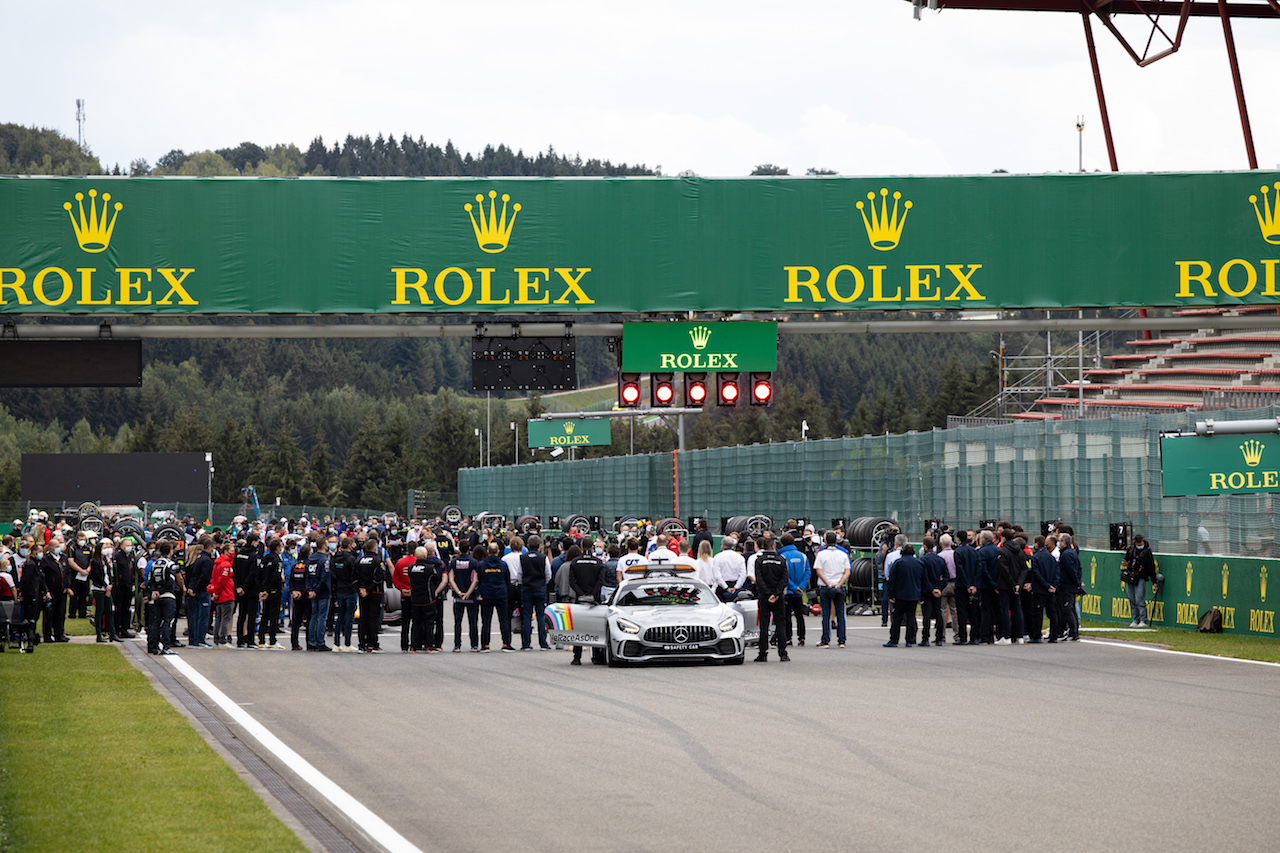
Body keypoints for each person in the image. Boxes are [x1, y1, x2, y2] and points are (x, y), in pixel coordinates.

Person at [568, 546, 608, 665]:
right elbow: (600, 581)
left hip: (579, 600)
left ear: (581, 548)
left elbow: (572, 582)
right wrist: (592, 594)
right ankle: (597, 656)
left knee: (578, 628)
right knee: (596, 627)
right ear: (592, 547)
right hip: (595, 600)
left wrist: (581, 594)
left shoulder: (575, 562)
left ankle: (577, 657)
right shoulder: (599, 563)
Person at [752, 539, 790, 662]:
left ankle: (763, 653)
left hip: (764, 595)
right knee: (780, 624)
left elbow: (759, 579)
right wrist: (776, 593)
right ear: (773, 546)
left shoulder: (759, 560)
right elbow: (785, 579)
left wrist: (768, 594)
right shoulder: (781, 560)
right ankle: (783, 653)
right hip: (778, 596)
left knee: (764, 625)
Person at [814, 531, 851, 648]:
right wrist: (839, 584)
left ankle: (825, 640)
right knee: (841, 613)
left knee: (826, 614)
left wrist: (828, 584)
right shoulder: (843, 554)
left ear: (825, 541)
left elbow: (819, 572)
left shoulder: (821, 554)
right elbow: (847, 572)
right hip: (839, 587)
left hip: (826, 586)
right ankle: (842, 640)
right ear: (836, 540)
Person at [408, 543, 447, 652]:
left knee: (416, 623)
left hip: (415, 598)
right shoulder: (430, 568)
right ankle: (429, 644)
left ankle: (414, 645)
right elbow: (435, 579)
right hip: (428, 598)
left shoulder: (411, 568)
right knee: (429, 622)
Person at [884, 544, 924, 647]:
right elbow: (923, 580)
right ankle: (910, 639)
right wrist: (921, 595)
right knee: (911, 616)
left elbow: (892, 580)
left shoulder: (898, 563)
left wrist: (891, 594)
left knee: (897, 617)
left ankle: (894, 640)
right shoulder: (919, 563)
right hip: (914, 594)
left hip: (900, 594)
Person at [477, 541, 513, 652]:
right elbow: (508, 580)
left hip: (486, 595)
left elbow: (478, 579)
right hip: (501, 594)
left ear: (488, 552)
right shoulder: (503, 564)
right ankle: (506, 643)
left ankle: (485, 645)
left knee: (486, 621)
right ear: (498, 552)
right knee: (504, 620)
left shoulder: (482, 564)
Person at [145, 542, 180, 655]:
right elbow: (171, 582)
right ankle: (166, 646)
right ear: (170, 551)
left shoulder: (155, 563)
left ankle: (153, 646)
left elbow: (150, 581)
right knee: (167, 621)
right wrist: (161, 591)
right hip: (167, 595)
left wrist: (153, 593)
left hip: (156, 596)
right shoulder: (170, 564)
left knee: (156, 622)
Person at [518, 535, 552, 650]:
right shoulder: (543, 557)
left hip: (527, 588)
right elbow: (548, 575)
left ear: (527, 545)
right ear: (539, 546)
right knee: (541, 616)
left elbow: (519, 574)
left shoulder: (522, 557)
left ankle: (526, 643)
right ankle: (543, 643)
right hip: (540, 588)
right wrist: (542, 583)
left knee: (526, 616)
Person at [1026, 535, 1060, 643]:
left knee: (1038, 613)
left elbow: (1036, 573)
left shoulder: (1035, 557)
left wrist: (1046, 585)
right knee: (1052, 613)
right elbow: (1057, 572)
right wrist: (1053, 586)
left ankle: (1036, 635)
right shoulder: (1051, 557)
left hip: (1040, 589)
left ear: (1036, 544)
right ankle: (1054, 635)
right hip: (1050, 589)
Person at [779, 532, 809, 647]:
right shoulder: (803, 556)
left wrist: (793, 587)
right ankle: (802, 637)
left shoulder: (782, 557)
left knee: (787, 615)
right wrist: (801, 587)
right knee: (799, 615)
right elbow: (807, 572)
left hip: (787, 590)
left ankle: (788, 638)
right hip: (799, 591)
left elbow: (783, 575)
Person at [450, 545, 482, 652]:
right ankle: (474, 645)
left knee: (457, 621)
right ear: (469, 548)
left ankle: (457, 645)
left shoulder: (454, 562)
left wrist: (459, 592)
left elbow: (451, 579)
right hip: (471, 596)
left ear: (459, 549)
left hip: (458, 596)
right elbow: (475, 580)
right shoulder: (473, 562)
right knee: (473, 621)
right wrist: (468, 593)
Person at [355, 538, 385, 653]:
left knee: (363, 619)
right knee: (373, 619)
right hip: (374, 593)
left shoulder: (358, 561)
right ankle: (373, 644)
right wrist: (368, 589)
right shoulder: (377, 561)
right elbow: (379, 578)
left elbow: (354, 578)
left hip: (362, 593)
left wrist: (360, 589)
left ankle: (362, 644)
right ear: (374, 548)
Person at [330, 535, 359, 651]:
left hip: (339, 589)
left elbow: (332, 574)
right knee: (349, 617)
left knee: (340, 617)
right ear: (350, 545)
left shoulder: (335, 558)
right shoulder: (351, 559)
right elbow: (355, 575)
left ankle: (336, 643)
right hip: (350, 590)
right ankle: (347, 643)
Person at [185, 537, 215, 648]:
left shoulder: (198, 558)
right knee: (202, 617)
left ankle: (193, 639)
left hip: (194, 590)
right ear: (210, 548)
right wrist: (196, 589)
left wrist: (191, 588)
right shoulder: (206, 560)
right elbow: (204, 577)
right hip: (202, 591)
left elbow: (193, 575)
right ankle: (199, 640)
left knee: (194, 616)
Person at [233, 533, 261, 649]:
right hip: (251, 590)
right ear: (254, 542)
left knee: (241, 615)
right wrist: (244, 587)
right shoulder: (254, 555)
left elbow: (234, 571)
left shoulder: (239, 554)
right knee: (251, 616)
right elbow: (253, 574)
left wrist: (238, 586)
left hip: (240, 589)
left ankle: (240, 640)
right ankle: (250, 640)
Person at [256, 537, 285, 649]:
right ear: (277, 548)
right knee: (273, 617)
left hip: (264, 590)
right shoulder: (277, 560)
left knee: (264, 615)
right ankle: (272, 641)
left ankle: (261, 640)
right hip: (273, 591)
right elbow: (275, 577)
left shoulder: (265, 559)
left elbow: (259, 575)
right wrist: (267, 590)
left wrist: (261, 590)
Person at [918, 536, 947, 646]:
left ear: (925, 546)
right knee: (938, 613)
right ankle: (939, 637)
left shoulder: (923, 560)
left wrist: (931, 588)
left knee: (927, 615)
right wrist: (939, 588)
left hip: (927, 590)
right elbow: (946, 575)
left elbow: (924, 577)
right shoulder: (940, 559)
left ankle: (925, 638)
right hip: (937, 588)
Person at [40, 536, 70, 643]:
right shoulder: (45, 560)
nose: (59, 548)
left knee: (60, 613)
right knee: (49, 614)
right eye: (57, 546)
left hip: (62, 591)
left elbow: (67, 573)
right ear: (51, 548)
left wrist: (68, 586)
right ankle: (48, 635)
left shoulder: (63, 558)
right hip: (51, 591)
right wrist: (46, 590)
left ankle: (59, 634)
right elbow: (43, 576)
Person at [304, 542, 332, 652]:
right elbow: (324, 577)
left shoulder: (311, 559)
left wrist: (310, 590)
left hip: (313, 590)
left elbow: (308, 576)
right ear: (324, 546)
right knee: (321, 617)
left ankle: (311, 641)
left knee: (314, 616)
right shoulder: (324, 560)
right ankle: (320, 641)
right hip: (322, 592)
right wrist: (316, 590)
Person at [1124, 534, 1156, 627]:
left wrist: (1153, 580)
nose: (1139, 545)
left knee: (1139, 599)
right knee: (1132, 599)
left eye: (1140, 543)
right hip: (1130, 576)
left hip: (1141, 577)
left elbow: (1151, 566)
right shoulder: (1131, 550)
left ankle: (1143, 620)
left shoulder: (1146, 551)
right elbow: (1126, 559)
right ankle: (1135, 619)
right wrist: (1126, 563)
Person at [975, 530, 1000, 644]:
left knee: (985, 610)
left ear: (983, 539)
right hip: (996, 584)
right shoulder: (998, 550)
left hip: (986, 585)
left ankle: (985, 635)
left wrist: (990, 583)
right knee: (996, 610)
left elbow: (983, 569)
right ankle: (998, 633)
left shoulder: (983, 551)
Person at [209, 542, 235, 647]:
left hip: (220, 594)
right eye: (232, 551)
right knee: (225, 618)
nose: (233, 553)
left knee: (219, 618)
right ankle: (222, 638)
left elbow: (214, 579)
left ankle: (217, 638)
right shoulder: (225, 565)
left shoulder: (218, 563)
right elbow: (221, 581)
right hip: (226, 594)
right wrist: (217, 592)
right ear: (226, 551)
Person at [1057, 533, 1082, 641]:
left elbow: (1071, 570)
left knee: (1068, 609)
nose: (1059, 543)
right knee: (1070, 609)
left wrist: (1076, 582)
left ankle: (1073, 632)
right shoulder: (1072, 552)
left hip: (1067, 586)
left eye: (1060, 541)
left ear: (1064, 542)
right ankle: (1073, 631)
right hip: (1070, 585)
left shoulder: (1066, 554)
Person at [392, 542, 417, 652]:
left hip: (404, 594)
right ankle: (415, 644)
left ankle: (404, 645)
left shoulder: (400, 562)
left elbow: (395, 579)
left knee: (405, 622)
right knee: (416, 621)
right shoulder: (418, 561)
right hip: (415, 594)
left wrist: (401, 589)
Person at [112, 536, 138, 639]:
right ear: (122, 546)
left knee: (126, 608)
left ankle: (124, 629)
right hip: (119, 586)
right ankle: (117, 629)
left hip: (128, 585)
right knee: (119, 608)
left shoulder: (131, 556)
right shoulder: (117, 556)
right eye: (127, 545)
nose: (129, 547)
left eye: (130, 545)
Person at [711, 537, 747, 602]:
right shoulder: (740, 557)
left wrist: (726, 588)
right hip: (736, 587)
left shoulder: (717, 557)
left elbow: (717, 576)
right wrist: (736, 587)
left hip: (722, 588)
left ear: (722, 545)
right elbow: (743, 575)